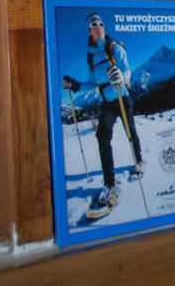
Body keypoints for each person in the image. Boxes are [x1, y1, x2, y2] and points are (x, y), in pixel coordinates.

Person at [63, 13, 144, 211]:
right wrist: (74, 85)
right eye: (94, 24)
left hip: (121, 95)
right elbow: (93, 82)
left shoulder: (114, 47)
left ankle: (138, 161)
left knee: (130, 130)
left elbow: (127, 69)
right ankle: (109, 184)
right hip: (106, 101)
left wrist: (121, 75)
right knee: (102, 136)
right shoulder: (90, 56)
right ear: (89, 31)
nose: (99, 26)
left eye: (101, 23)